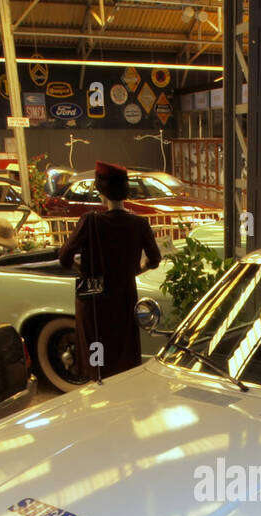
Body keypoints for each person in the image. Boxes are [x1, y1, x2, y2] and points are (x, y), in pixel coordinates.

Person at [58, 160, 162, 381]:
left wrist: (84, 269)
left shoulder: (90, 221)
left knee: (97, 354)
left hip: (95, 300)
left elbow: (64, 257)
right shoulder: (139, 223)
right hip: (125, 298)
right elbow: (155, 259)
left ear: (100, 189)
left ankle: (97, 391)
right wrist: (134, 271)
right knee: (124, 352)